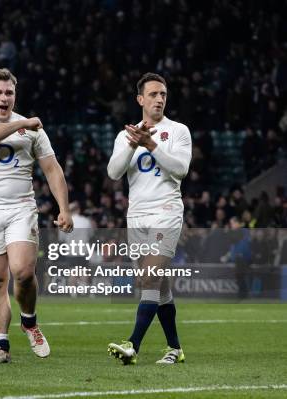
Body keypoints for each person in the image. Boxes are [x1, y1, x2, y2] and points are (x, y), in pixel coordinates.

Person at [0, 68, 73, 363]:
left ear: (15, 95)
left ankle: (30, 321)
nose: (3, 98)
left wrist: (64, 208)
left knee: (22, 272)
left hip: (21, 207)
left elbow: (51, 168)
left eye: (9, 92)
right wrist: (21, 125)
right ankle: (0, 346)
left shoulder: (32, 129)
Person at [107, 72, 192, 365]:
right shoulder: (125, 135)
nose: (159, 99)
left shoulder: (178, 131)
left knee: (150, 276)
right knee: (159, 287)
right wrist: (134, 143)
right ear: (140, 99)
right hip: (137, 217)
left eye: (163, 95)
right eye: (153, 94)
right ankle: (174, 348)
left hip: (166, 212)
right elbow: (113, 173)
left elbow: (180, 169)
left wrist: (152, 144)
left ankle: (132, 345)